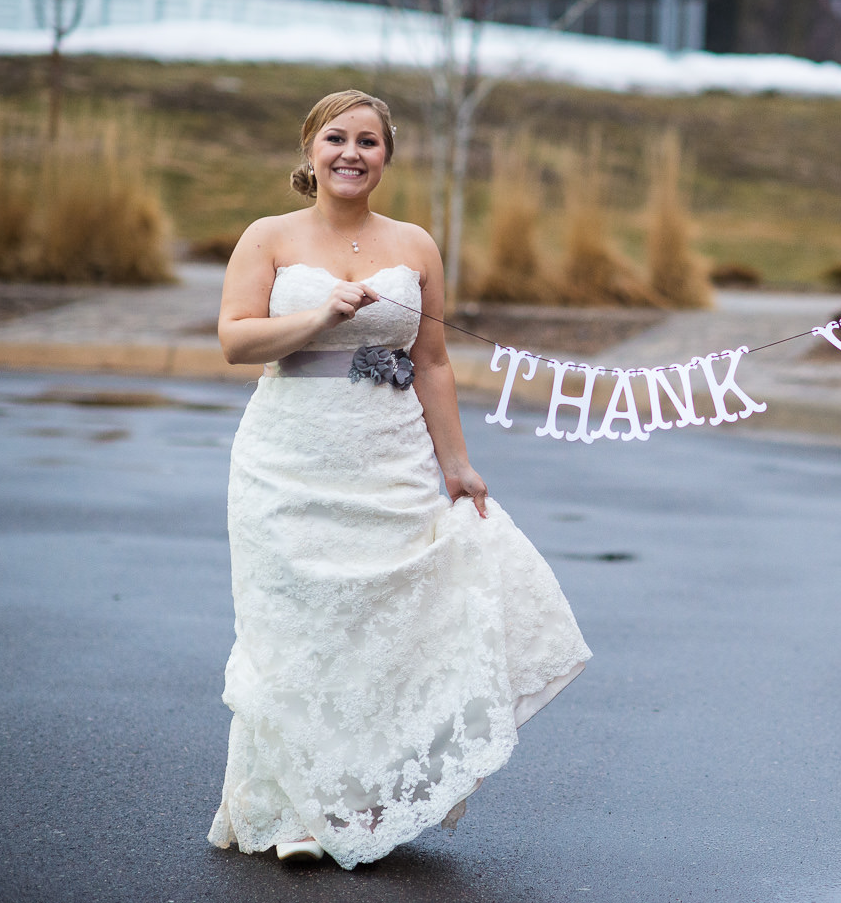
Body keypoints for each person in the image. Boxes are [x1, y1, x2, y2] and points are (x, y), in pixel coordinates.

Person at [209, 89, 591, 870]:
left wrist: (457, 465)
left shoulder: (415, 244)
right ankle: (295, 811)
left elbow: (433, 361)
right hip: (288, 461)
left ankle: (360, 798)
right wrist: (318, 319)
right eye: (338, 139)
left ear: (387, 156)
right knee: (298, 633)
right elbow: (235, 341)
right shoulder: (268, 237)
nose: (352, 154)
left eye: (369, 143)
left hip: (390, 459)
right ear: (311, 149)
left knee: (384, 630)